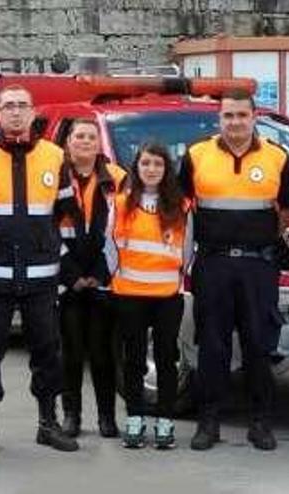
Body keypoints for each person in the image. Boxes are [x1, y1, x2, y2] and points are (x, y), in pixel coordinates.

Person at [0, 85, 79, 456]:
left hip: (40, 277)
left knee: (48, 352)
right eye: (9, 106)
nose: (16, 112)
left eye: (22, 106)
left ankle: (48, 423)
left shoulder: (55, 156)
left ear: (33, 112)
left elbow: (63, 211)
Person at [183, 90, 289, 452]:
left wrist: (264, 236)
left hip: (257, 265)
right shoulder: (196, 155)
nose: (235, 122)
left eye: (241, 115)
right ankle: (209, 422)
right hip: (213, 264)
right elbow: (182, 204)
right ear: (219, 119)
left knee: (258, 345)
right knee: (212, 346)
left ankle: (261, 423)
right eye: (228, 116)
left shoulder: (278, 158)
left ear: (253, 118)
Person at [105, 143, 189, 449]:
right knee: (134, 360)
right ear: (136, 168)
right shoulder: (122, 203)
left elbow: (188, 249)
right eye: (145, 164)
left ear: (166, 170)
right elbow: (110, 246)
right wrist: (117, 278)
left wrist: (178, 281)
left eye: (157, 164)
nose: (151, 169)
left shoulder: (181, 206)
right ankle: (135, 419)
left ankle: (165, 422)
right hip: (129, 294)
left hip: (167, 295)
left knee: (167, 359)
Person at [58, 119, 127, 439]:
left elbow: (122, 230)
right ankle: (71, 415)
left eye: (91, 136)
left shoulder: (118, 179)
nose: (85, 141)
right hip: (66, 278)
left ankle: (106, 416)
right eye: (79, 136)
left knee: (103, 354)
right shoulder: (55, 177)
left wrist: (100, 274)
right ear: (68, 142)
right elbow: (46, 225)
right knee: (70, 353)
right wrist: (70, 274)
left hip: (103, 278)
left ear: (99, 144)